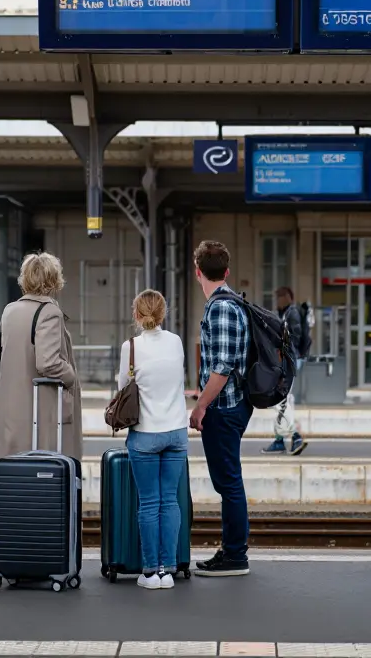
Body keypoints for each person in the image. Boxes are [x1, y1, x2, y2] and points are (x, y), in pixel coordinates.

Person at [188, 240, 252, 577]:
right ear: (226, 271)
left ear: (198, 271)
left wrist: (200, 407)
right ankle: (231, 549)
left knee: (229, 484)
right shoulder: (227, 304)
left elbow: (223, 366)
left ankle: (235, 556)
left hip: (225, 409)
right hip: (229, 406)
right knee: (228, 482)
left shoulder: (221, 308)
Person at [117, 289, 189, 590]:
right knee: (170, 501)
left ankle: (150, 572)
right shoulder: (176, 342)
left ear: (136, 314)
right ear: (164, 313)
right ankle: (168, 569)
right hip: (176, 432)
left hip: (145, 433)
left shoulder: (130, 347)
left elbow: (122, 386)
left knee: (149, 503)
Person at [0, 251, 82, 462]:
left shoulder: (9, 311)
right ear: (53, 279)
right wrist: (72, 377)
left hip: (11, 409)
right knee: (47, 471)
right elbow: (48, 363)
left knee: (15, 473)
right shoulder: (49, 312)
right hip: (40, 412)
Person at [262, 286, 309, 456]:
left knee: (281, 401)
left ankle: (294, 437)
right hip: (283, 361)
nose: (278, 300)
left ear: (288, 297)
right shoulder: (284, 313)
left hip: (288, 362)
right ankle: (279, 440)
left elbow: (293, 339)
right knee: (282, 401)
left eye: (280, 297)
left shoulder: (292, 314)